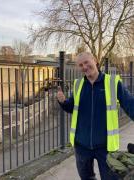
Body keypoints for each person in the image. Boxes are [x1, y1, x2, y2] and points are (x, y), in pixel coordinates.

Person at [57, 52, 134, 180]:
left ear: (95, 60)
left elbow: (130, 104)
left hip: (106, 147)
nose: (84, 67)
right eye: (81, 65)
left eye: (86, 62)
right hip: (81, 147)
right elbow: (71, 107)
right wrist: (63, 101)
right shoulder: (78, 85)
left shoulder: (113, 83)